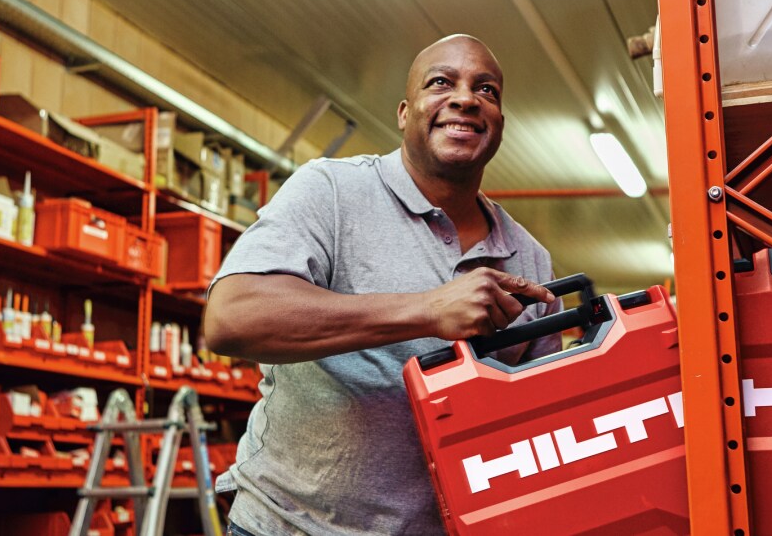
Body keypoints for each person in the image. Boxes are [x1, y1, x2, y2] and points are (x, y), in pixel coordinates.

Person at [203, 34, 563, 536]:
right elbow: (231, 317)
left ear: (499, 122)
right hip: (288, 525)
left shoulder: (530, 258)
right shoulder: (332, 191)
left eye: (486, 90)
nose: (465, 98)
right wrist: (427, 310)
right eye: (441, 83)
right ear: (404, 112)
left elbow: (540, 426)